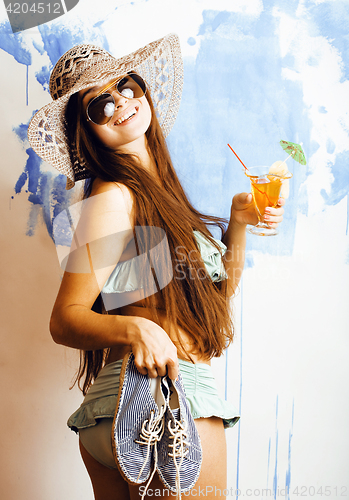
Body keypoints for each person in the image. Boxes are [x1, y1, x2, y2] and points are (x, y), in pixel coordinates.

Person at [28, 34, 285, 500]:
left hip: (133, 404)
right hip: (160, 398)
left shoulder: (157, 197)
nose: (120, 102)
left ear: (141, 88)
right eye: (98, 104)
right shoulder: (114, 197)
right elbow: (64, 318)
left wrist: (238, 224)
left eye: (124, 85)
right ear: (86, 132)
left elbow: (213, 301)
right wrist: (135, 332)